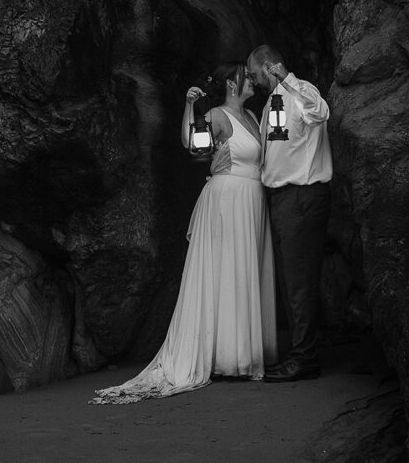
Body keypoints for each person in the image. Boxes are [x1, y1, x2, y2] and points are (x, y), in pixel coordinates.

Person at [90, 63, 277, 404]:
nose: (252, 81)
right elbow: (194, 144)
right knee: (226, 273)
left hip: (251, 200)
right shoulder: (218, 115)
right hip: (227, 200)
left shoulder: (253, 114)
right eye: (246, 77)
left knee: (244, 272)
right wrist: (191, 107)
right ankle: (226, 356)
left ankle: (245, 350)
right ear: (231, 84)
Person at [246, 45, 333, 382]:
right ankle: (300, 352)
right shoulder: (272, 102)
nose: (254, 81)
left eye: (255, 74)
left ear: (269, 67)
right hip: (282, 198)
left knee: (299, 282)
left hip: (302, 194)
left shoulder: (302, 90)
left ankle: (304, 359)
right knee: (290, 280)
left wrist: (288, 79)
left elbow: (320, 111)